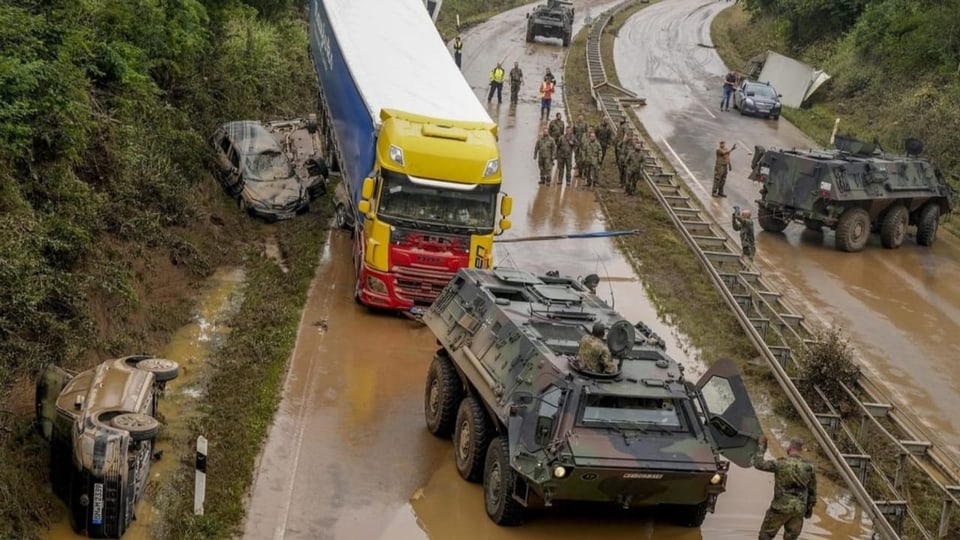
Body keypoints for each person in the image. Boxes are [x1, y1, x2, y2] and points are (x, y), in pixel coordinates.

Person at [753, 435, 817, 540]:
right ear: (801, 450)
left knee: (765, 536)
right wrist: (809, 509)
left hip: (780, 507)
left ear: (790, 448)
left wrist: (762, 446)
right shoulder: (809, 467)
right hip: (799, 509)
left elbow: (758, 464)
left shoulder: (780, 463)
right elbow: (812, 491)